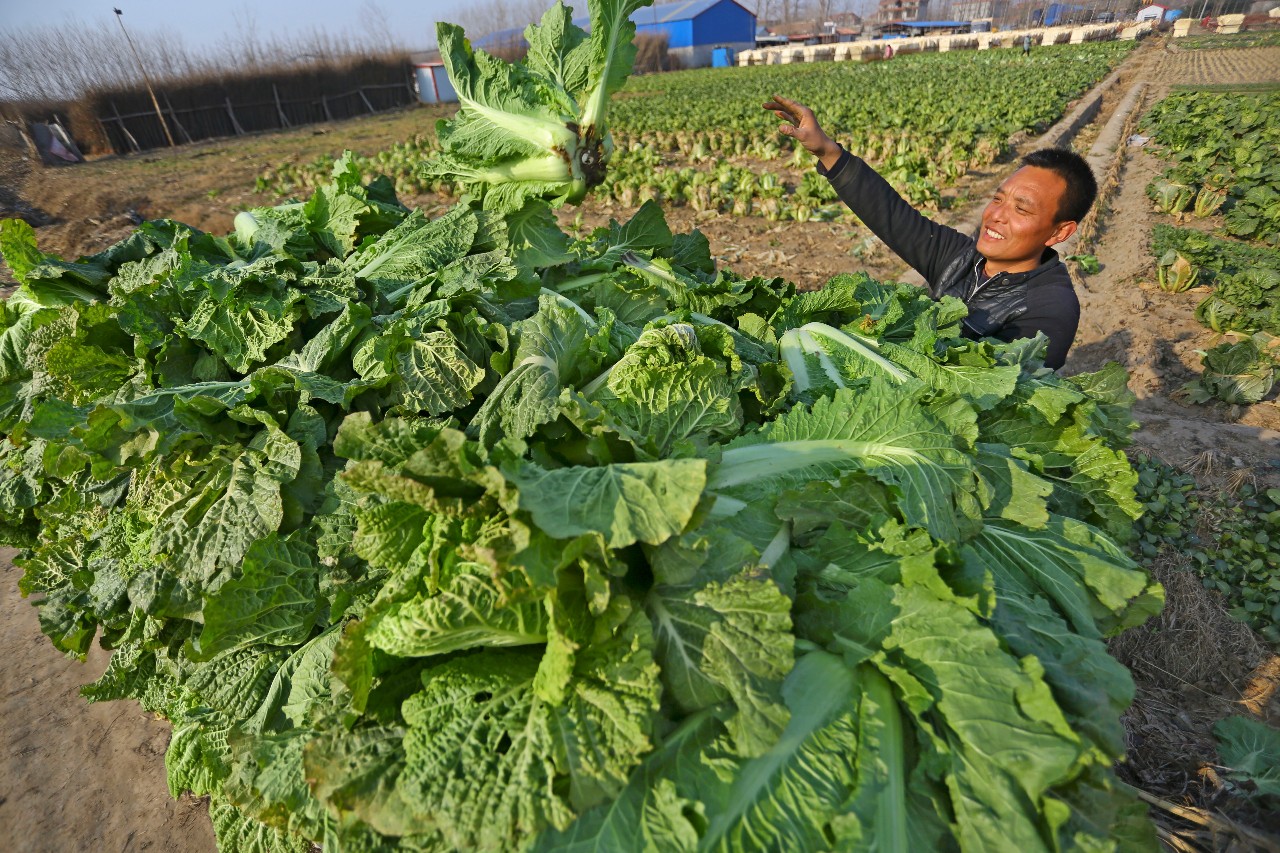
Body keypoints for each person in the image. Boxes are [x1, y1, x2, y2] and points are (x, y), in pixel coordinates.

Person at [762, 94, 1098, 370]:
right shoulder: (962, 259)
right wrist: (827, 151)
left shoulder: (1048, 310)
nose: (996, 216)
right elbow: (893, 216)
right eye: (998, 199)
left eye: (1021, 209)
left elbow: (997, 394)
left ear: (1059, 232)